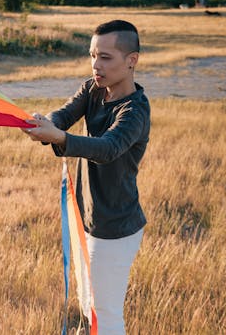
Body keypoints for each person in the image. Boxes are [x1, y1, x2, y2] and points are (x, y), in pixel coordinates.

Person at [23, 19, 150, 335]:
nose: (96, 64)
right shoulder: (93, 88)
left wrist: (58, 137)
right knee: (87, 304)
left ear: (131, 60)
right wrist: (48, 123)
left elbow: (107, 148)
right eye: (93, 55)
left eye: (105, 57)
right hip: (86, 217)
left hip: (115, 227)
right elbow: (63, 115)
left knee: (106, 315)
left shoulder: (135, 110)